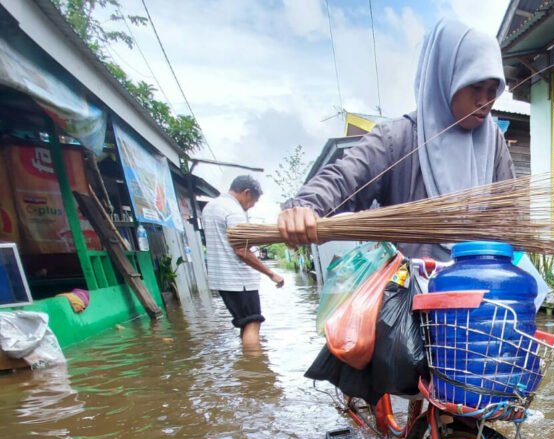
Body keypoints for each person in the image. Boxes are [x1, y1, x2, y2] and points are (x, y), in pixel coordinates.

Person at [276, 19, 515, 262]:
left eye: (492, 91)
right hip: (413, 294)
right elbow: (343, 179)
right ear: (445, 78)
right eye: (475, 87)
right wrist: (305, 207)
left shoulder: (493, 144)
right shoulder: (396, 139)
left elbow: (510, 215)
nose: (484, 101)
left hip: (483, 289)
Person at [203, 175, 285, 348]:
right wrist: (271, 273)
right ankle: (256, 370)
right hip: (239, 280)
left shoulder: (211, 207)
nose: (251, 207)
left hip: (222, 279)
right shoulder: (234, 211)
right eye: (253, 202)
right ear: (246, 192)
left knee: (245, 322)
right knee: (253, 323)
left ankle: (247, 366)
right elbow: (241, 250)